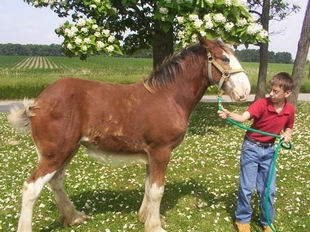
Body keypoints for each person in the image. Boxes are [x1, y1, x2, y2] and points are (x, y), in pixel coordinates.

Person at [217, 72, 295, 232]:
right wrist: (229, 114)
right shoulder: (261, 104)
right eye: (270, 90)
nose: (271, 94)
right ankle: (242, 219)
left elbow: (289, 125)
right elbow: (244, 117)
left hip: (270, 151)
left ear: (287, 93)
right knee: (247, 188)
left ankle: (266, 221)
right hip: (251, 148)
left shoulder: (289, 110)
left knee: (268, 190)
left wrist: (288, 133)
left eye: (275, 91)